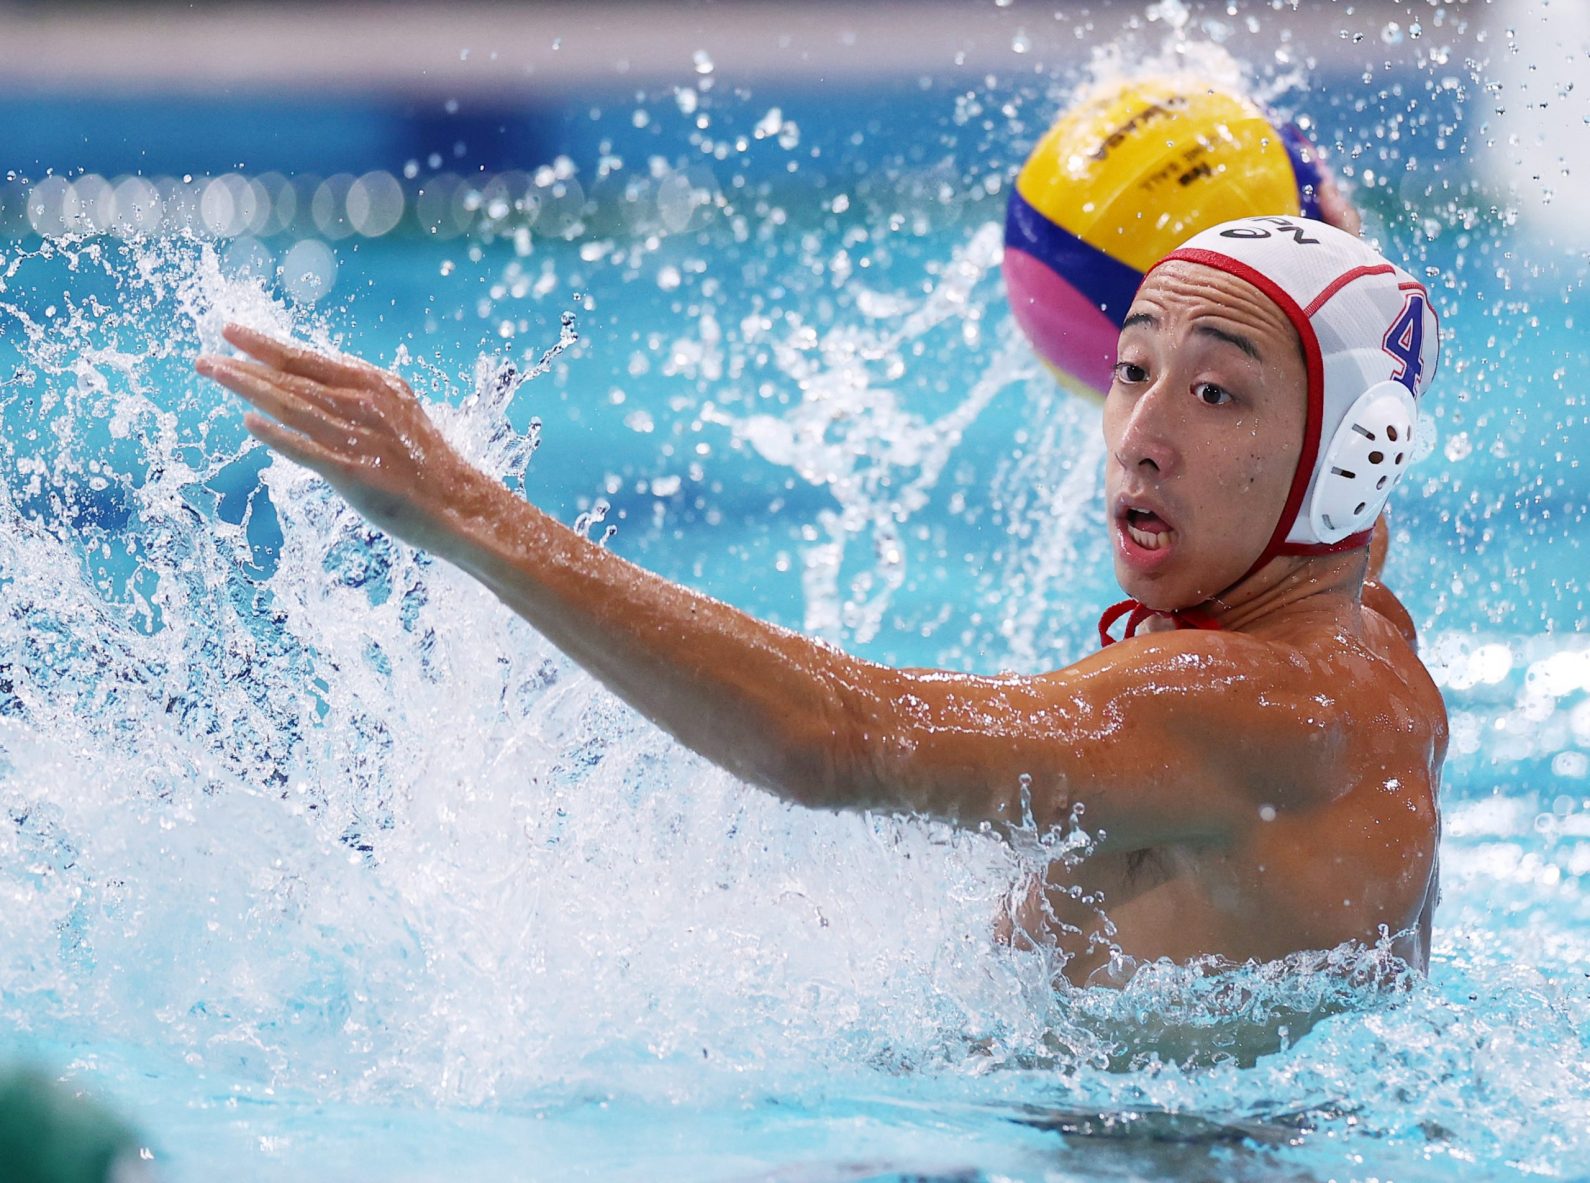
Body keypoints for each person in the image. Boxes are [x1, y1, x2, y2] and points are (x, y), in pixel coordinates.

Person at [196, 214, 1445, 988]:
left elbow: (836, 740)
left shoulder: (1251, 703)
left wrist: (460, 507)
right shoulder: (1368, 637)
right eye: (1130, 369)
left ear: (1347, 462)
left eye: (1215, 393)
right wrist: (1335, 255)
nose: (1138, 437)